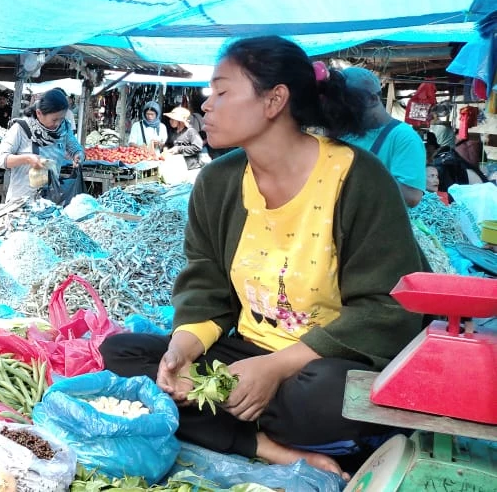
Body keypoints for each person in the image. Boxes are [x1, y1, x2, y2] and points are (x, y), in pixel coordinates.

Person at [100, 36, 425, 478]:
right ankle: (266, 446)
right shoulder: (217, 182)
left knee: (329, 397)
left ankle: (235, 422)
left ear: (274, 100)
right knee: (124, 353)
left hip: (321, 364)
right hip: (246, 356)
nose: (205, 105)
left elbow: (387, 306)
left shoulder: (358, 178)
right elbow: (205, 284)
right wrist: (182, 349)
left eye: (221, 90)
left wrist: (275, 367)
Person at [336, 68, 426, 207]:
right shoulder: (346, 132)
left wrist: (356, 176)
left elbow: (411, 196)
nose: (344, 111)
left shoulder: (403, 137)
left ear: (372, 99)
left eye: (350, 105)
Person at [0, 88, 84, 201]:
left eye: (61, 119)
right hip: (21, 202)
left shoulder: (64, 128)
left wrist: (78, 155)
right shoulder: (21, 129)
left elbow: (75, 148)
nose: (58, 124)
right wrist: (26, 159)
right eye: (54, 120)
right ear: (39, 113)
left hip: (49, 203)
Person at [161, 106, 204, 172]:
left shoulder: (191, 131)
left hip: (191, 168)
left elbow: (198, 147)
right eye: (170, 119)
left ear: (180, 121)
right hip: (178, 166)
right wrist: (165, 149)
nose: (170, 121)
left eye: (172, 119)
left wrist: (179, 149)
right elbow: (168, 143)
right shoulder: (173, 132)